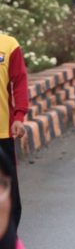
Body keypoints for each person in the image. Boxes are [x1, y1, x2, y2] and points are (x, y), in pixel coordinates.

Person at [0, 33, 26, 231]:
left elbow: (19, 83)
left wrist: (18, 117)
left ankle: (10, 236)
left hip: (3, 132)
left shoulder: (9, 45)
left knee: (8, 192)